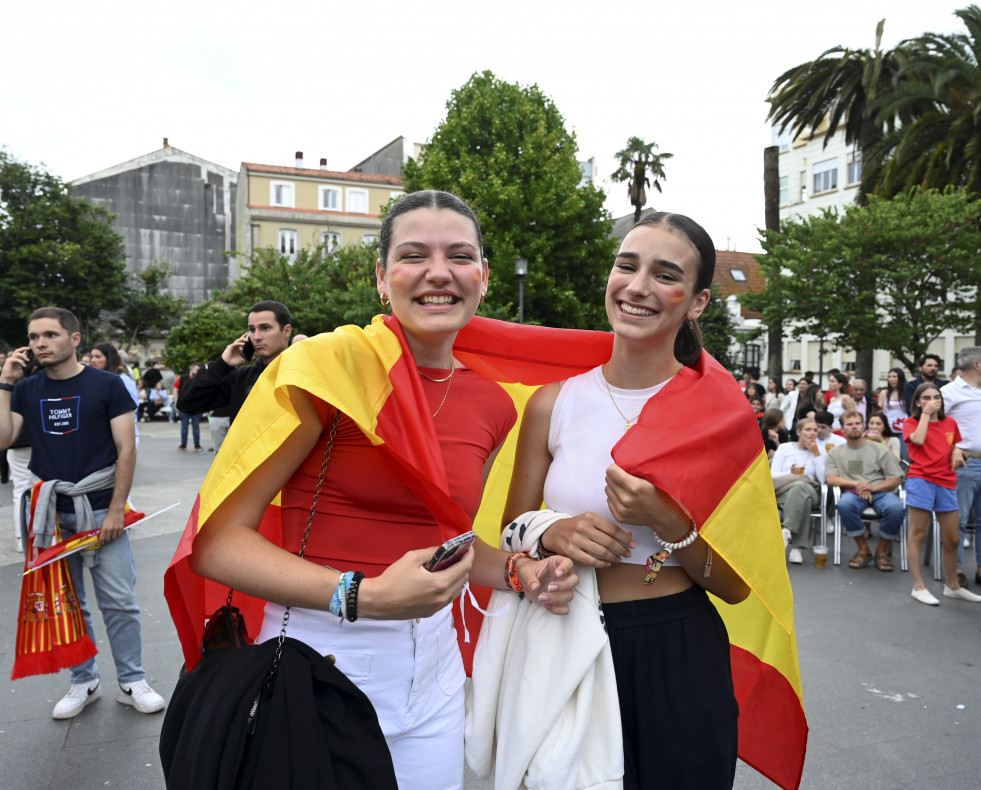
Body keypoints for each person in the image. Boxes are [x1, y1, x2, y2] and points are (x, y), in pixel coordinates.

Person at [167, 191, 578, 789]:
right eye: (414, 255)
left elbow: (451, 543)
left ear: (483, 279)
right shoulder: (324, 371)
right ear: (382, 278)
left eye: (459, 256)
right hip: (317, 658)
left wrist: (521, 572)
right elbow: (217, 545)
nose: (439, 271)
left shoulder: (491, 404)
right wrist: (362, 596)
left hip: (432, 676)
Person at [502, 211, 751, 789]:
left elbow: (737, 585)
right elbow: (508, 534)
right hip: (564, 638)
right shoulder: (553, 404)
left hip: (676, 649)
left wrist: (670, 522)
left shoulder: (720, 413)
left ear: (697, 301)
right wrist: (549, 535)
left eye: (665, 274)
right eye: (626, 265)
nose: (637, 287)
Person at [0, 307, 164, 719]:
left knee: (120, 601)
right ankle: (83, 680)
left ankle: (131, 679)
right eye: (34, 336)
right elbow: (4, 439)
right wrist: (5, 382)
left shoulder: (108, 385)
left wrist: (114, 511)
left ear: (74, 339)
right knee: (66, 602)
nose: (40, 343)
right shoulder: (27, 388)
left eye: (50, 335)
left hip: (100, 508)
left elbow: (127, 449)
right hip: (51, 514)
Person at [903, 383, 981, 604]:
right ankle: (918, 586)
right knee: (918, 533)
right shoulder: (912, 422)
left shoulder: (950, 423)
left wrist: (958, 451)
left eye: (936, 397)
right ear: (918, 402)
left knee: (953, 538)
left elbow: (957, 445)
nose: (933, 401)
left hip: (946, 480)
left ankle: (952, 586)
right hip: (921, 479)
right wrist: (926, 415)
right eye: (926, 397)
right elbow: (917, 439)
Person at [175, 300, 293, 425]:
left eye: (265, 328)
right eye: (252, 330)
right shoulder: (241, 378)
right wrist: (222, 364)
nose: (257, 336)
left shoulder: (304, 373)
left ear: (286, 331)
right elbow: (186, 404)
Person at [826, 410, 905, 571]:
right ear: (842, 428)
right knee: (844, 505)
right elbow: (831, 478)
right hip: (853, 493)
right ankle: (863, 548)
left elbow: (896, 478)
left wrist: (872, 487)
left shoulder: (879, 449)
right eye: (849, 424)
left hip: (881, 491)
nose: (854, 427)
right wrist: (857, 484)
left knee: (896, 508)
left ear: (863, 427)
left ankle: (882, 550)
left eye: (857, 423)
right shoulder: (836, 452)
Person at [940, 347, 981, 589]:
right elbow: (936, 427)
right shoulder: (949, 392)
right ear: (977, 365)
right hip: (965, 462)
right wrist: (952, 447)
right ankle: (955, 569)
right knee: (960, 518)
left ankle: (979, 568)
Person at [771, 417, 826, 564]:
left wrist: (817, 454)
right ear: (799, 432)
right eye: (808, 429)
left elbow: (822, 480)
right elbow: (772, 475)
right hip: (785, 491)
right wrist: (790, 472)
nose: (812, 433)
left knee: (802, 488)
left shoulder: (820, 451)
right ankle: (797, 548)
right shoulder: (785, 448)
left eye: (815, 430)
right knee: (803, 498)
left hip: (811, 489)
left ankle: (787, 529)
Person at [90, 342, 140, 446]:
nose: (93, 360)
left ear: (109, 358)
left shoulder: (122, 380)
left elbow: (132, 406)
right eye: (92, 356)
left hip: (121, 435)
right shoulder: (95, 379)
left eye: (98, 356)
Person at [878, 367, 909, 457]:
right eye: (889, 377)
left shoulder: (906, 392)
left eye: (894, 376)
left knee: (904, 453)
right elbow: (880, 410)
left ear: (900, 378)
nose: (891, 379)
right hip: (888, 428)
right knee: (887, 452)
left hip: (903, 429)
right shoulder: (884, 393)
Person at [173, 364, 203, 452]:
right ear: (191, 368)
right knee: (184, 427)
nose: (198, 372)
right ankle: (183, 444)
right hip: (184, 407)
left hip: (196, 407)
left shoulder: (200, 379)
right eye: (196, 369)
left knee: (196, 427)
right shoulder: (182, 378)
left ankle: (197, 445)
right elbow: (175, 390)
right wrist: (176, 404)